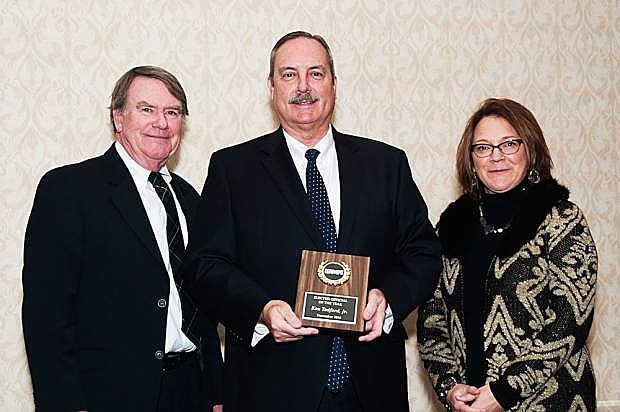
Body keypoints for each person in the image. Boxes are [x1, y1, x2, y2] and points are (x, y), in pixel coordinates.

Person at [184, 31, 442, 412]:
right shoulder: (233, 169)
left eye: (315, 74)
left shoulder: (386, 165)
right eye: (289, 75)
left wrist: (387, 300)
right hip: (270, 386)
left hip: (369, 387)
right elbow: (205, 265)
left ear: (334, 85)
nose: (303, 87)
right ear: (271, 88)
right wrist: (262, 309)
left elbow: (423, 252)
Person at [22, 66, 223, 412]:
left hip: (190, 390)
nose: (161, 122)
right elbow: (46, 317)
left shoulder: (190, 199)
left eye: (172, 112)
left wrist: (216, 393)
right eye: (147, 109)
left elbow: (201, 306)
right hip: (108, 395)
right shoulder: (69, 191)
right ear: (118, 118)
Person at [417, 98, 597, 411]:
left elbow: (570, 320)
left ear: (531, 150)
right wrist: (448, 387)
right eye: (483, 148)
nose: (496, 156)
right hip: (470, 405)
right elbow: (432, 318)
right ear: (472, 160)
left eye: (509, 144)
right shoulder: (451, 228)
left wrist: (506, 391)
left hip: (552, 401)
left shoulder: (561, 220)